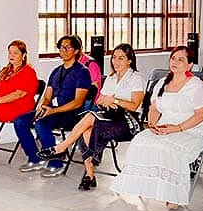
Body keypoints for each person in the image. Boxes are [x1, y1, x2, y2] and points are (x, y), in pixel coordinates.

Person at [110, 46, 203, 210]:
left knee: (167, 148)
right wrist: (152, 125)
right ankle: (146, 187)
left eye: (181, 60)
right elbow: (154, 109)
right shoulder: (162, 82)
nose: (175, 62)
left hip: (190, 128)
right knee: (140, 141)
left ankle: (174, 196)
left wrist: (177, 128)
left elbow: (201, 115)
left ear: (190, 65)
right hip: (165, 125)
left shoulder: (195, 85)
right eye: (173, 58)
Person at [37, 44, 145, 190]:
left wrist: (114, 100)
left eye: (121, 58)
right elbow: (100, 100)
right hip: (109, 116)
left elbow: (134, 105)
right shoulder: (111, 78)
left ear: (130, 60)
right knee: (87, 127)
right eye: (114, 57)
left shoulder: (136, 78)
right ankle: (89, 174)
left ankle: (63, 149)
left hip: (127, 122)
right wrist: (107, 101)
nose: (116, 61)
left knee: (88, 122)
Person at [14, 35, 91, 177]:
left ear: (76, 50)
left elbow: (78, 102)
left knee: (41, 124)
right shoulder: (56, 71)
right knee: (20, 121)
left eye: (67, 47)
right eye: (61, 47)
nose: (63, 50)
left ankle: (56, 162)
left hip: (72, 114)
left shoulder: (82, 72)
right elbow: (48, 95)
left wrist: (53, 111)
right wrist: (43, 107)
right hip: (52, 111)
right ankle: (35, 158)